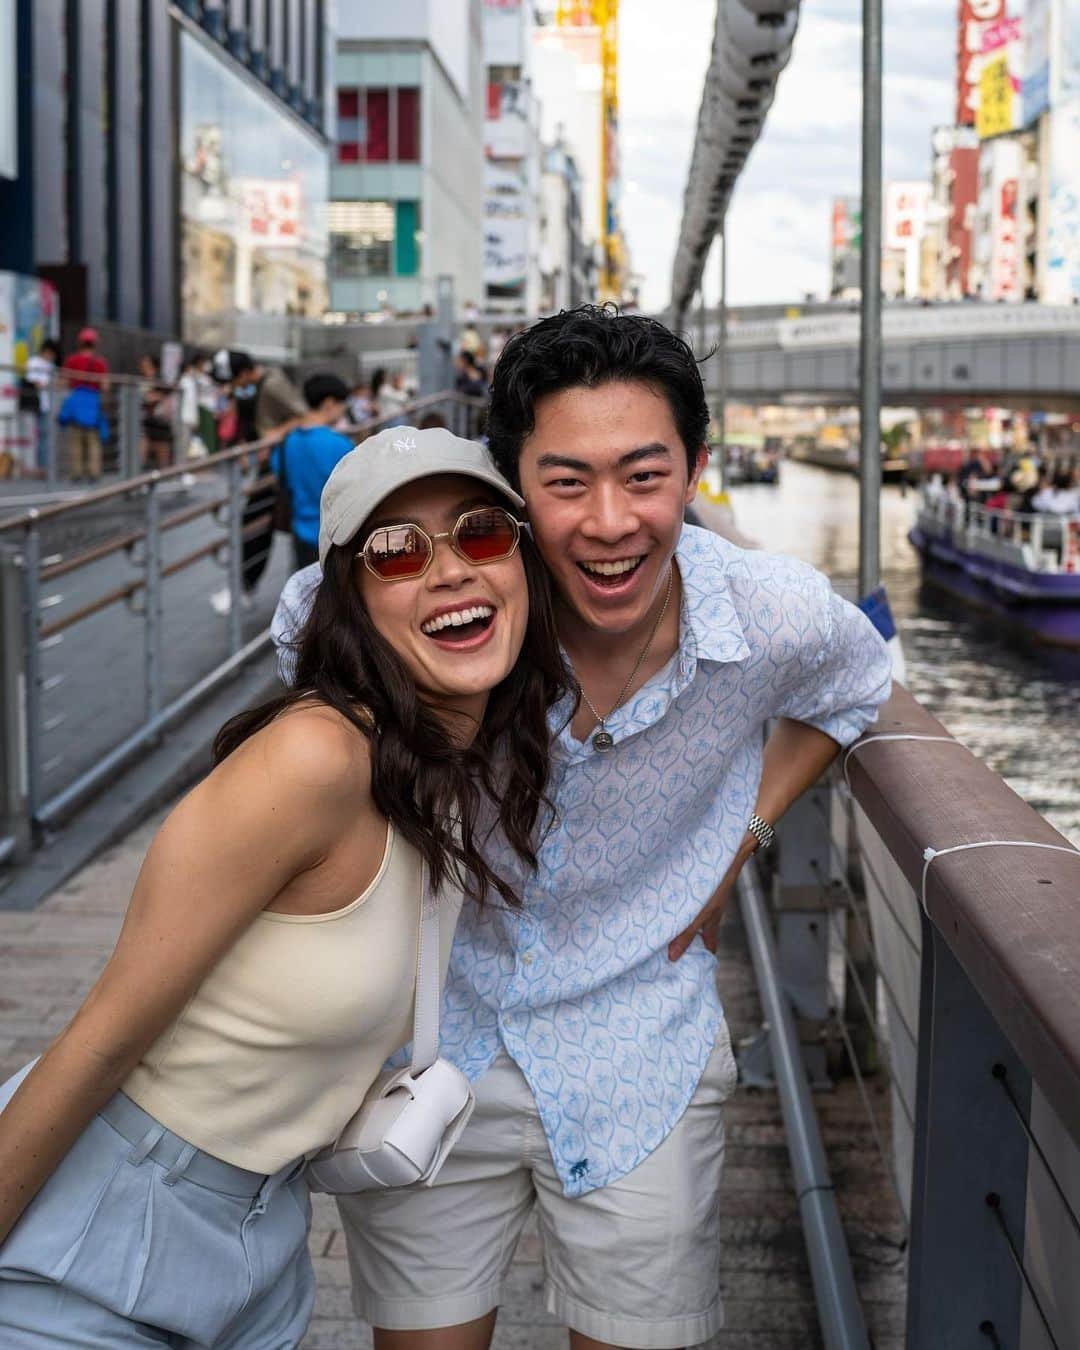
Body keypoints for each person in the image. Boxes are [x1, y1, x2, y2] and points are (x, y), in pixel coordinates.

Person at [273, 305, 893, 1349]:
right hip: (432, 1042)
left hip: (637, 1050)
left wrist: (745, 832)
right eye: (566, 484)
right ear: (514, 487)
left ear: (695, 471)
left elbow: (857, 687)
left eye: (645, 476)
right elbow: (305, 630)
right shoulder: (452, 596)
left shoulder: (768, 615)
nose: (610, 522)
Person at [0, 427, 566, 1346]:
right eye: (396, 552)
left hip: (264, 1246)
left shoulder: (446, 768)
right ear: (352, 602)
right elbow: (96, 1043)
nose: (450, 569)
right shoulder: (313, 759)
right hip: (104, 1218)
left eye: (481, 533)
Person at [210, 352, 307, 616]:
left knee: (255, 523)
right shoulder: (262, 384)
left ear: (242, 373)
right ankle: (245, 587)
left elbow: (304, 416)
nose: (231, 386)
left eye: (232, 380)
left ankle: (244, 589)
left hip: (282, 465)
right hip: (277, 464)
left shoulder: (272, 384)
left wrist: (275, 434)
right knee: (258, 524)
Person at [273, 373, 354, 569]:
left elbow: (279, 470)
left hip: (300, 533)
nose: (342, 413)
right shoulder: (340, 444)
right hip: (334, 536)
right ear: (329, 403)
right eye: (342, 406)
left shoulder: (287, 442)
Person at [59, 327, 109, 482]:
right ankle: (94, 472)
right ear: (95, 343)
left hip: (75, 404)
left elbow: (63, 381)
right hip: (93, 404)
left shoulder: (72, 359)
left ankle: (76, 473)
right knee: (93, 440)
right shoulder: (100, 362)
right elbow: (105, 386)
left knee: (75, 440)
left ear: (80, 342)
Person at [21, 338, 60, 475]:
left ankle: (43, 467)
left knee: (44, 436)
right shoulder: (33, 362)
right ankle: (33, 467)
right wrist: (49, 384)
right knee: (33, 437)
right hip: (32, 405)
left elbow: (56, 383)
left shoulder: (50, 366)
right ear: (47, 351)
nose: (52, 357)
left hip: (45, 406)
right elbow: (34, 383)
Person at [138, 353, 175, 470]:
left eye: (145, 363)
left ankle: (162, 480)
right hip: (146, 422)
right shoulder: (141, 381)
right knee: (141, 453)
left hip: (161, 423)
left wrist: (153, 397)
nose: (142, 365)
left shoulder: (160, 379)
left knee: (162, 459)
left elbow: (167, 394)